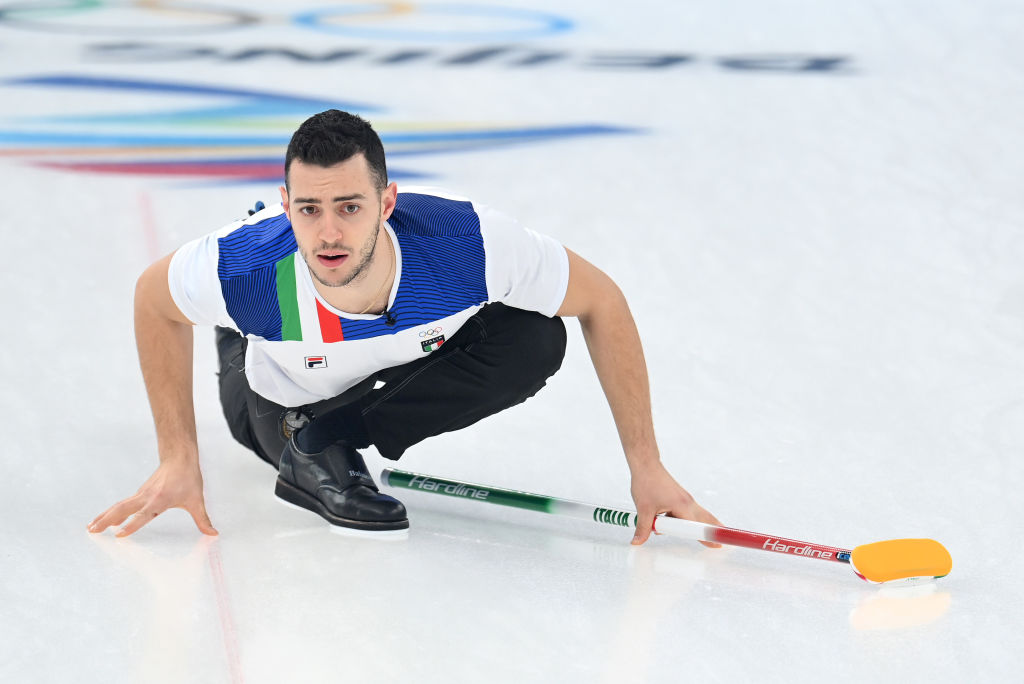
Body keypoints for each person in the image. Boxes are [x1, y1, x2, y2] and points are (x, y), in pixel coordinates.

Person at [88, 109, 721, 543]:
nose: (329, 232)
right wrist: (178, 457)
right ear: (285, 207)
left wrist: (647, 466)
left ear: (387, 203)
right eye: (308, 209)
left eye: (350, 207)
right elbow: (153, 299)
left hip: (376, 374)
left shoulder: (467, 245)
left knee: (533, 337)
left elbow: (601, 301)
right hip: (272, 393)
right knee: (259, 349)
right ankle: (300, 435)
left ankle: (330, 435)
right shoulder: (250, 267)